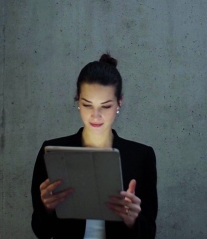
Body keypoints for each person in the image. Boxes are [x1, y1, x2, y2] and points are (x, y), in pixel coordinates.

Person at [31, 53, 158, 239]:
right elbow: (40, 231)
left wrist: (132, 220)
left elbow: (149, 233)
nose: (95, 115)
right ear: (78, 101)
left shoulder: (141, 156)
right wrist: (46, 208)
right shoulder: (53, 153)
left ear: (119, 103)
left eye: (105, 106)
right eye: (87, 105)